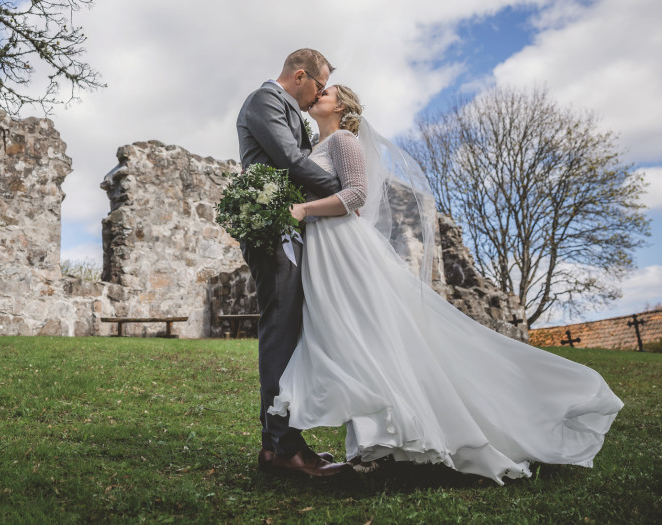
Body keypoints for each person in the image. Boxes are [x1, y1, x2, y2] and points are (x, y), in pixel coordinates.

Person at [268, 84, 624, 484]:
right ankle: (381, 440)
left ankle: (393, 439)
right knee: (345, 339)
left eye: (327, 92)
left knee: (365, 335)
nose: (318, 94)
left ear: (343, 107)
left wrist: (303, 209)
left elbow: (356, 195)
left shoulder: (344, 140)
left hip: (343, 247)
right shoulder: (316, 145)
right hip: (323, 248)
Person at [236, 48, 352, 477]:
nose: (319, 95)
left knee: (286, 328)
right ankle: (285, 447)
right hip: (273, 229)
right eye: (319, 86)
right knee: (281, 328)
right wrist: (342, 189)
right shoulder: (265, 100)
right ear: (300, 76)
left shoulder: (287, 109)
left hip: (287, 227)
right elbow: (290, 160)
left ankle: (274, 446)